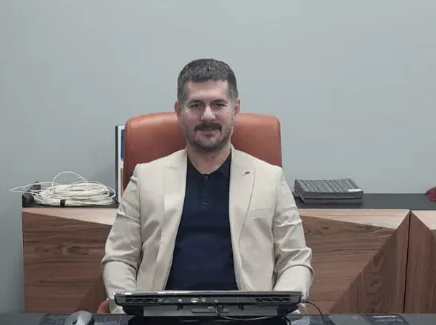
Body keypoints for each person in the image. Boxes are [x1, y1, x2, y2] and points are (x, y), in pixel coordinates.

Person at [101, 58, 313, 311]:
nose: (208, 115)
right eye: (196, 105)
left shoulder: (270, 179)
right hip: (159, 322)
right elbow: (119, 258)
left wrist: (279, 312)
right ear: (179, 111)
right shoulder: (146, 177)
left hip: (251, 323)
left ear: (235, 109)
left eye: (218, 104)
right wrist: (126, 312)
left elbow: (295, 259)